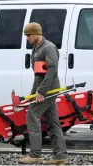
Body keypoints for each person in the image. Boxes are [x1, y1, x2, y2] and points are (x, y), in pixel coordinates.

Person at [18, 22, 68, 165]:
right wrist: (32, 94)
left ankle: (35, 154)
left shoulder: (49, 48)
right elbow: (38, 75)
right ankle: (60, 156)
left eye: (28, 35)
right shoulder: (35, 48)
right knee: (53, 122)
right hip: (43, 89)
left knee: (32, 114)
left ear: (36, 33)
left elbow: (51, 73)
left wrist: (41, 92)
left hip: (49, 89)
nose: (27, 38)